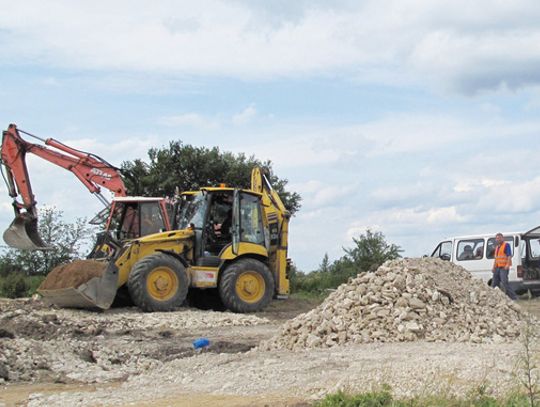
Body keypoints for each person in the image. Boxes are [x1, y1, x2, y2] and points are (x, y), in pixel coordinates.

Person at [491, 233, 517, 300]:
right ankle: (494, 297)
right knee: (494, 282)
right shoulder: (497, 247)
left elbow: (509, 256)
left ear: (502, 238)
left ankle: (513, 297)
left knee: (504, 282)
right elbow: (496, 258)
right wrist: (493, 267)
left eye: (499, 238)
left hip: (503, 267)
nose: (498, 239)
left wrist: (507, 264)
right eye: (497, 238)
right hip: (497, 267)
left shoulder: (506, 245)